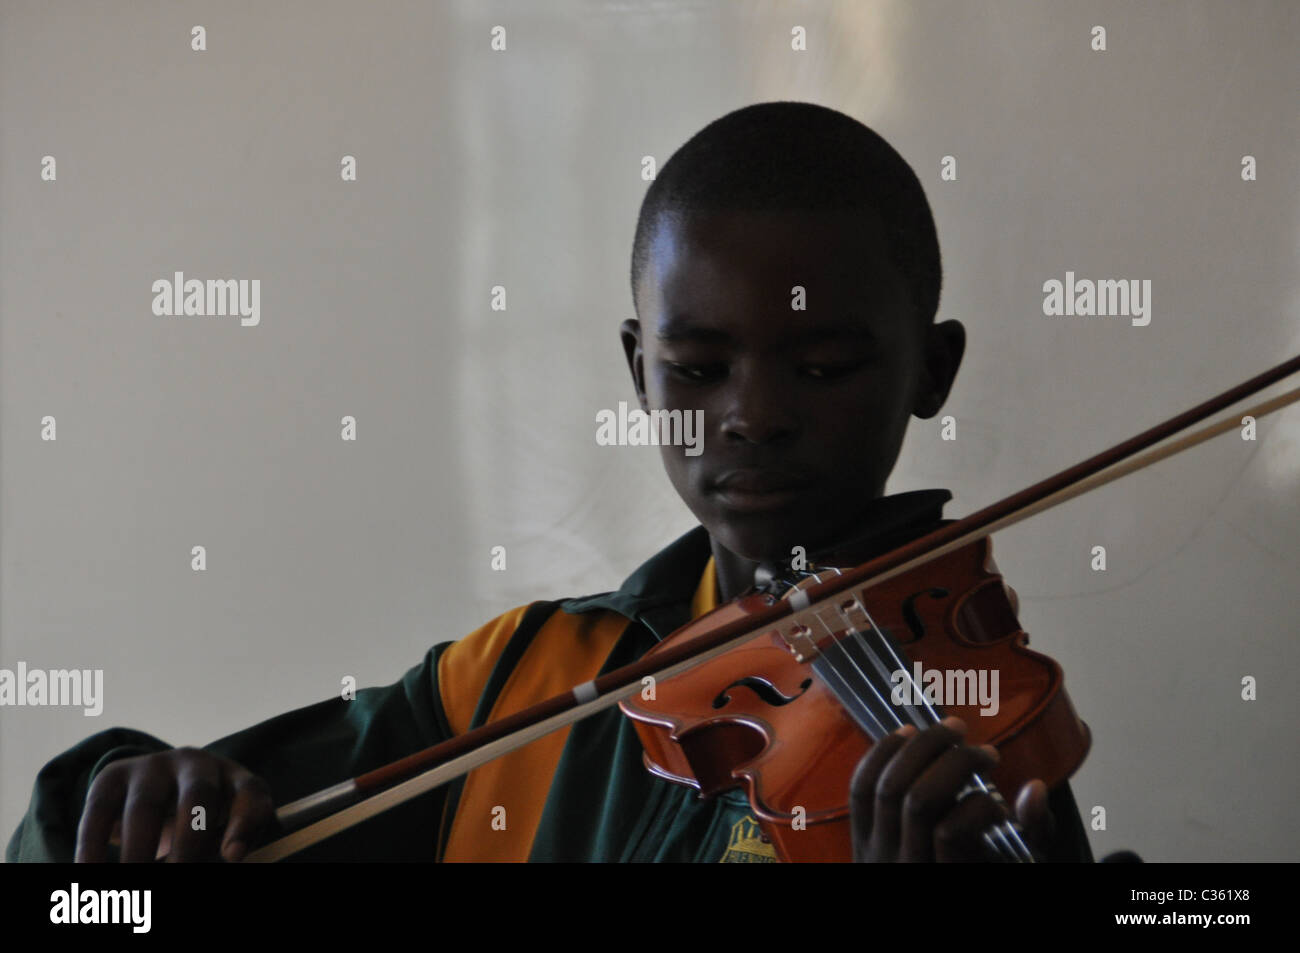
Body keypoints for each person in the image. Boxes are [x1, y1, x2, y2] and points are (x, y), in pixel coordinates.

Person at [7, 101, 1093, 863]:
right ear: (638, 371)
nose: (752, 416)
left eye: (820, 367)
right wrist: (128, 807)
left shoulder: (967, 728)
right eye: (698, 368)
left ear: (931, 370)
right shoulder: (521, 683)